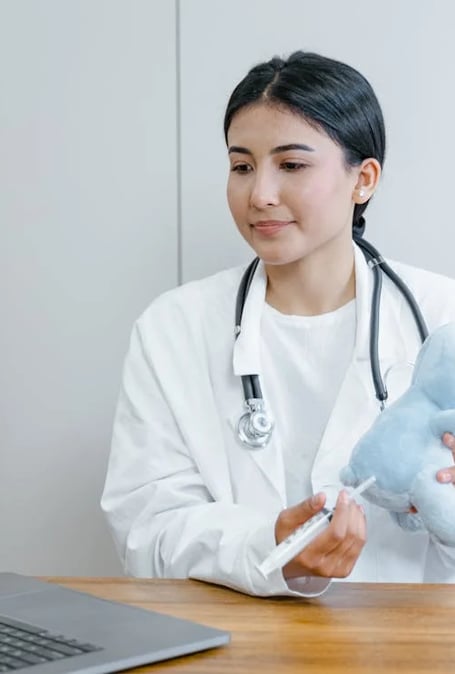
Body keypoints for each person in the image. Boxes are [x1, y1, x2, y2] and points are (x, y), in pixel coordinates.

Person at [101, 51, 455, 597]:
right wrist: (268, 545)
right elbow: (145, 527)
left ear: (363, 179)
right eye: (242, 166)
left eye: (291, 165)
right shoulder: (174, 328)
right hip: (236, 646)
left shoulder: (443, 318)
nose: (260, 194)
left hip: (411, 644)